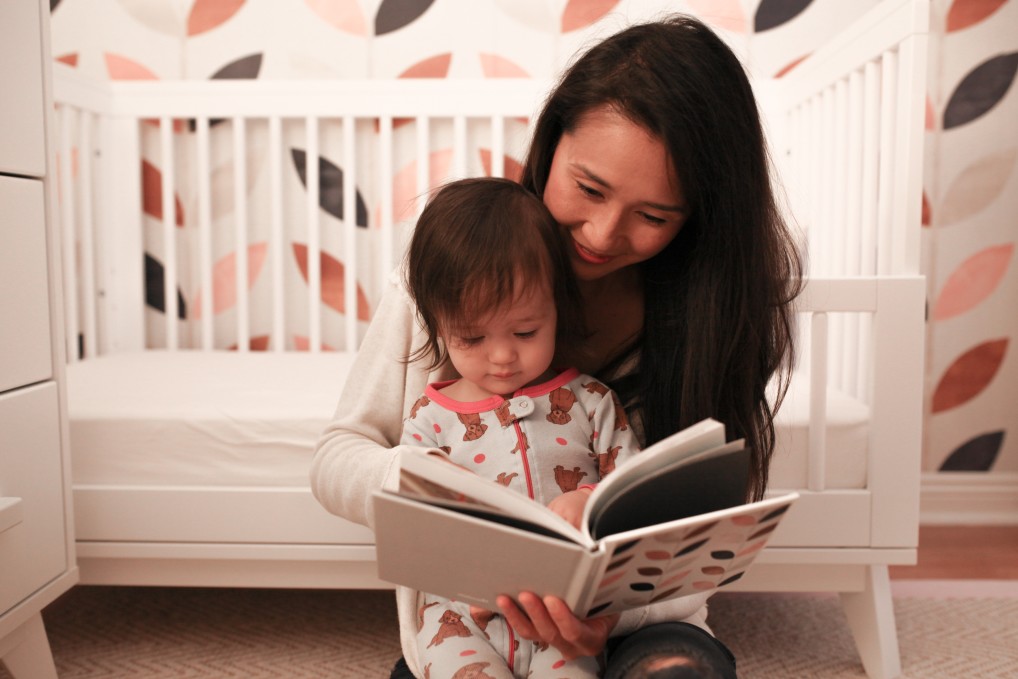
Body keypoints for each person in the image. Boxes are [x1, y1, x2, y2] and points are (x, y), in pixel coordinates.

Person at [312, 12, 802, 679]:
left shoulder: (705, 319)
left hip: (634, 620)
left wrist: (609, 613)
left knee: (680, 667)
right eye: (588, 188)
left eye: (652, 216)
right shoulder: (454, 275)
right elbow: (340, 453)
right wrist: (430, 487)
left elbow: (692, 548)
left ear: (696, 219)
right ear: (551, 143)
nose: (601, 233)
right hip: (471, 614)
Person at [399, 176, 645, 678]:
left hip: (566, 614)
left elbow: (637, 496)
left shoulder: (591, 402)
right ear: (437, 323)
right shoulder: (428, 422)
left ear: (558, 305)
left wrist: (591, 502)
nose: (504, 356)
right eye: (470, 337)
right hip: (461, 615)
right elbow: (414, 528)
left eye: (526, 331)